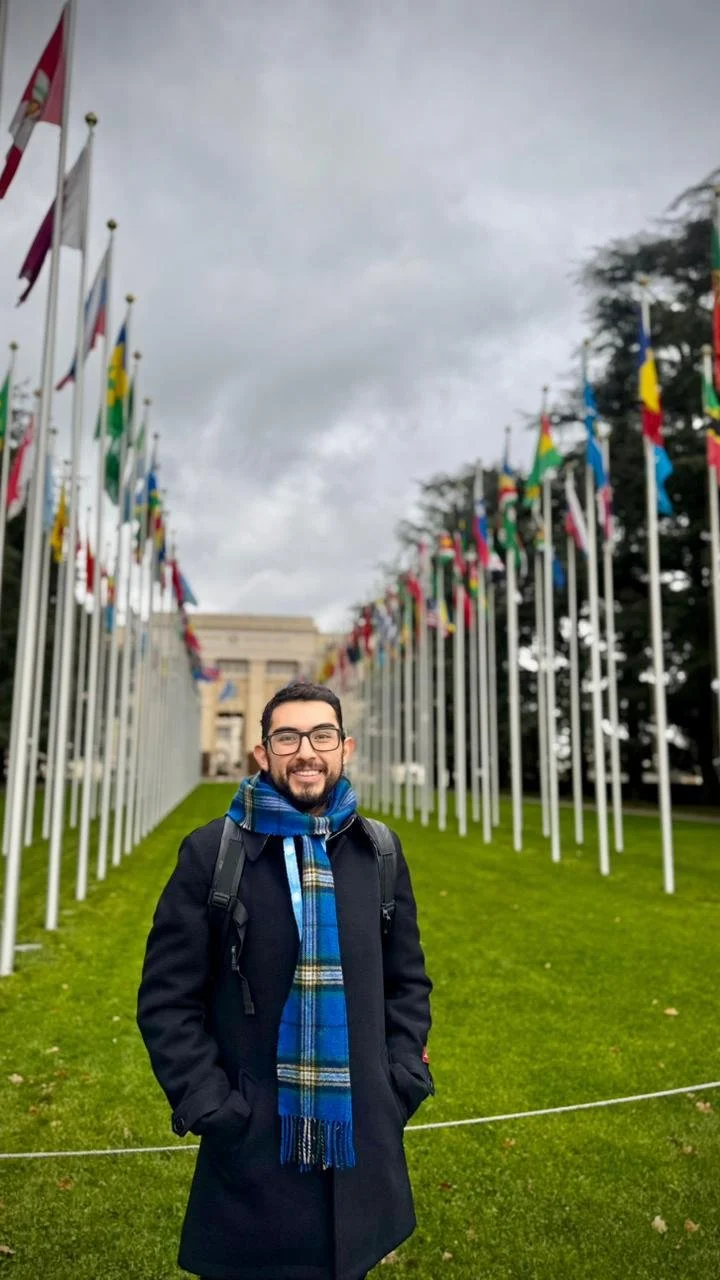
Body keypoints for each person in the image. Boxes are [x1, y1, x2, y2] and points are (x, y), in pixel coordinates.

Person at [137, 681, 434, 1280]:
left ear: (344, 748)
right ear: (262, 752)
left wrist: (400, 1079)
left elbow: (408, 982)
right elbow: (167, 1001)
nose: (306, 751)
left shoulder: (379, 852)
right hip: (254, 1141)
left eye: (321, 735)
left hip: (362, 1137)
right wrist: (212, 1105)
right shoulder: (211, 854)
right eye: (288, 736)